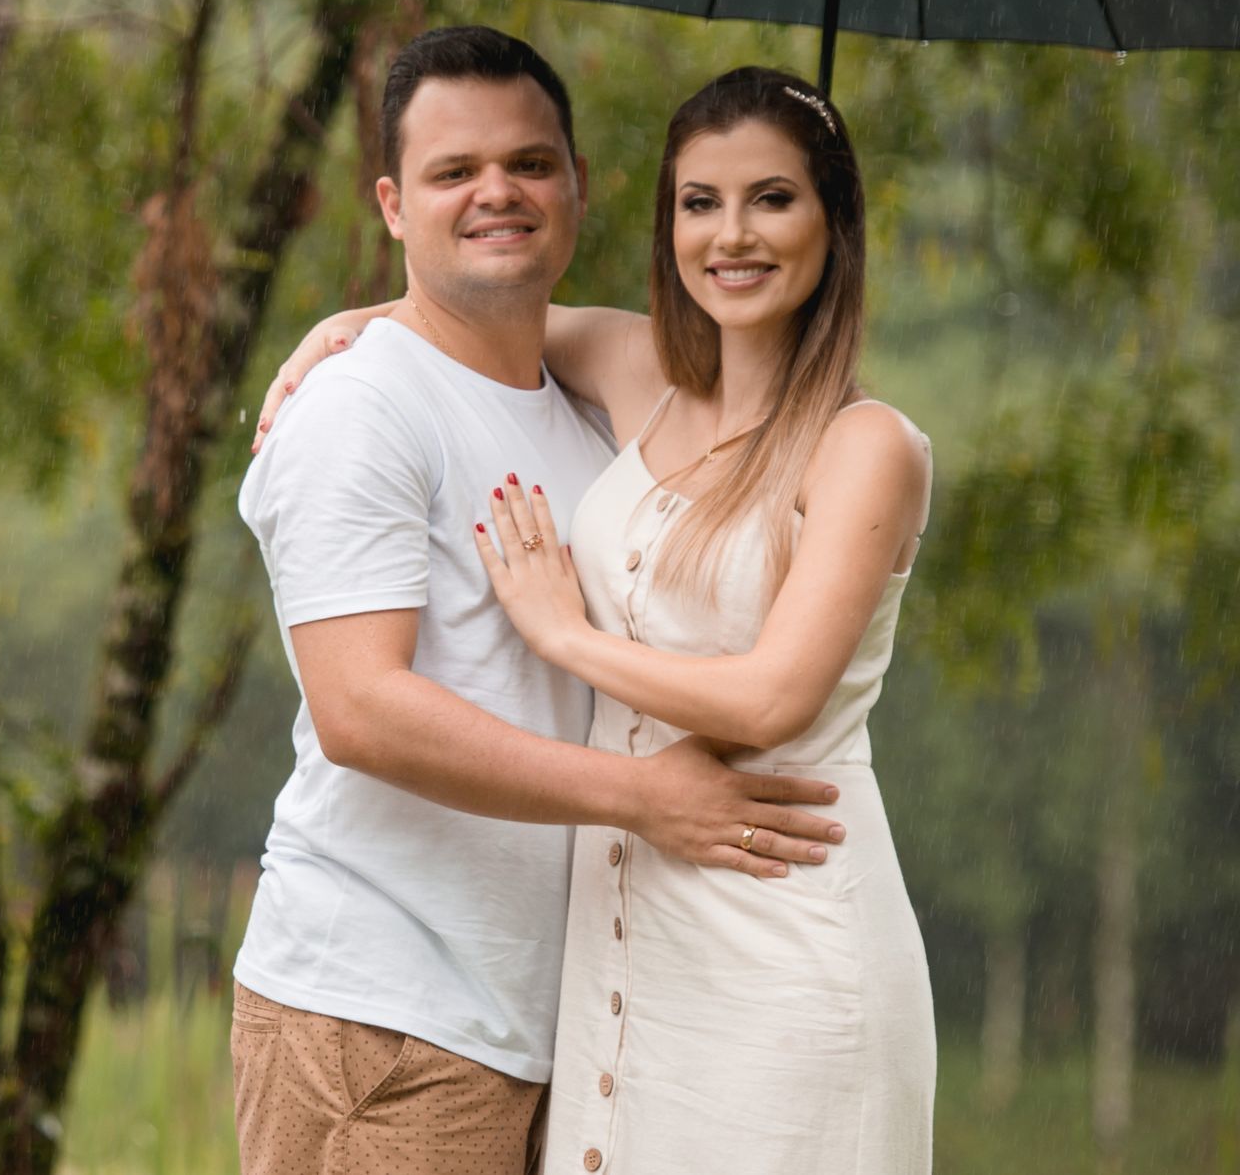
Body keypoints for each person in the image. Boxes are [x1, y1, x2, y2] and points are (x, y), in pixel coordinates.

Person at [260, 65, 936, 1172]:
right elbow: (471, 294)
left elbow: (773, 694)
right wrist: (341, 327)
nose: (734, 235)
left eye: (774, 197)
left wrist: (567, 636)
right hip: (625, 936)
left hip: (781, 907)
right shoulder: (643, 375)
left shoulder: (868, 447)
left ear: (835, 219)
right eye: (700, 201)